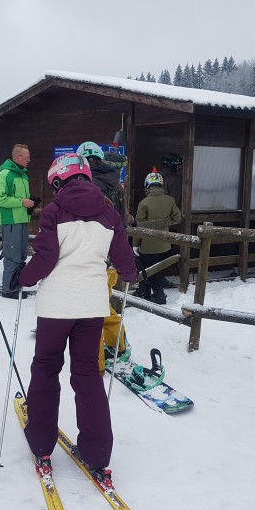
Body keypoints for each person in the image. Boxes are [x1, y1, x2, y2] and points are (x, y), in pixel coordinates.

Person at [14, 153, 137, 480]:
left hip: (56, 306)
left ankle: (41, 443)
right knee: (87, 373)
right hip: (91, 305)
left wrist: (22, 278)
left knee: (45, 368)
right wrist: (129, 273)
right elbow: (123, 258)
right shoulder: (109, 213)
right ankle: (97, 452)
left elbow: (46, 258)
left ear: (58, 181)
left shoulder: (54, 211)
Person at [75, 141, 131, 369]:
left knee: (90, 312)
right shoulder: (116, 185)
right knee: (102, 305)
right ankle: (118, 345)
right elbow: (123, 223)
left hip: (92, 258)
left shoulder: (88, 187)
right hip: (110, 260)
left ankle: (94, 363)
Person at [132, 170, 182, 304]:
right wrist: (163, 222)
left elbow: (139, 227)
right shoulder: (170, 200)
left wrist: (135, 245)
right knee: (157, 270)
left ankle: (158, 295)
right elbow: (178, 217)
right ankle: (145, 291)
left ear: (147, 184)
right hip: (165, 243)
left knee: (147, 270)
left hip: (148, 245)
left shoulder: (144, 202)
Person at [0, 144, 34, 299]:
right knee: (12, 257)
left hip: (22, 221)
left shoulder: (23, 176)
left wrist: (29, 204)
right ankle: (9, 290)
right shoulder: (5, 174)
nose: (29, 160)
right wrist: (21, 202)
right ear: (18, 157)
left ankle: (17, 287)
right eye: (27, 157)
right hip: (10, 222)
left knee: (22, 256)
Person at [76, 141, 127, 226]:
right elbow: (122, 221)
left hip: (89, 232)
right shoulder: (117, 185)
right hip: (113, 232)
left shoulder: (84, 186)